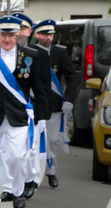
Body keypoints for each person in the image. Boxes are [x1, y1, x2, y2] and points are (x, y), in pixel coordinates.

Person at [0, 16, 50, 208]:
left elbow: (39, 87)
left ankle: (18, 192)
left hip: (18, 115)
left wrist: (43, 116)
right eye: (3, 35)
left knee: (18, 157)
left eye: (10, 35)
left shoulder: (30, 55)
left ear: (17, 35)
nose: (7, 39)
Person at [31, 19, 78, 188]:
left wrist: (70, 100)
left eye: (51, 34)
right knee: (33, 141)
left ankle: (51, 172)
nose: (49, 37)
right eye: (45, 34)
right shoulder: (30, 52)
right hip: (34, 104)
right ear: (37, 35)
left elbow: (72, 78)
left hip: (53, 104)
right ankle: (33, 175)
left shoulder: (60, 53)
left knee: (51, 140)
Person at [12, 12, 52, 199]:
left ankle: (32, 179)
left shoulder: (39, 55)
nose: (19, 33)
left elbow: (43, 86)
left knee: (32, 146)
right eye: (16, 28)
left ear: (29, 32)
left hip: (31, 108)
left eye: (23, 29)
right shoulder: (0, 54)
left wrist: (43, 114)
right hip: (9, 108)